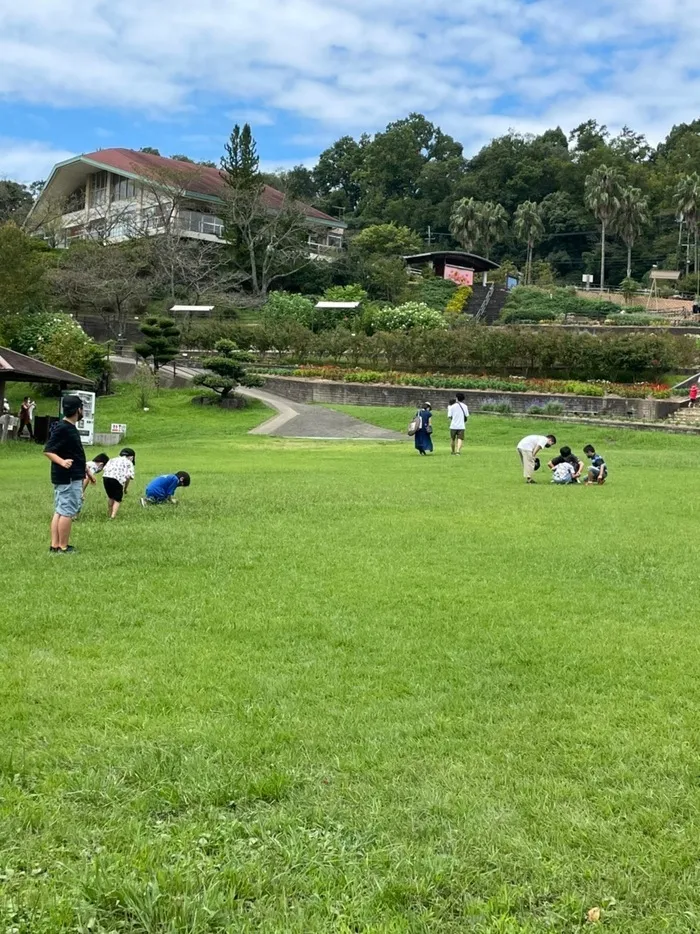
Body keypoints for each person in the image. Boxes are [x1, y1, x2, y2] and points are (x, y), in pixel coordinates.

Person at [43, 394, 87, 554]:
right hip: (67, 477)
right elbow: (48, 450)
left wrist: (86, 470)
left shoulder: (67, 427)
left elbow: (74, 453)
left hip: (68, 475)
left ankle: (55, 545)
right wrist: (62, 462)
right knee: (68, 512)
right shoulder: (64, 428)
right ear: (78, 410)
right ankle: (63, 546)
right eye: (82, 408)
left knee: (60, 510)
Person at [101, 447, 136, 519]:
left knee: (111, 497)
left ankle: (109, 513)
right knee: (117, 499)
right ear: (131, 457)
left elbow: (105, 469)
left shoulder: (112, 459)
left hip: (106, 477)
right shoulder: (129, 462)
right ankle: (113, 516)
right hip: (117, 479)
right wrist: (125, 488)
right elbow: (128, 477)